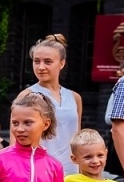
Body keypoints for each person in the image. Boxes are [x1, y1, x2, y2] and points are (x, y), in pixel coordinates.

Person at [27, 34, 82, 174]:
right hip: (40, 171)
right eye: (36, 61)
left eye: (47, 62)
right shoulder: (27, 96)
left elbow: (78, 139)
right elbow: (16, 142)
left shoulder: (75, 98)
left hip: (71, 171)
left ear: (61, 63)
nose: (41, 67)